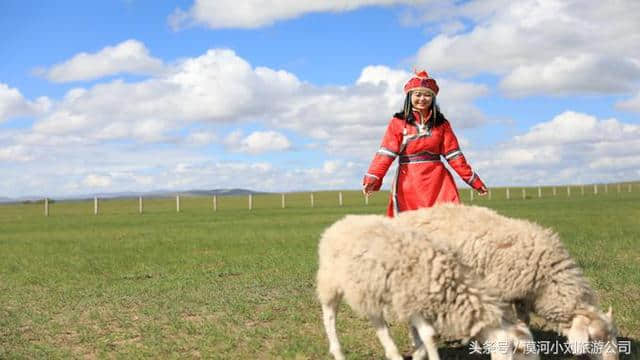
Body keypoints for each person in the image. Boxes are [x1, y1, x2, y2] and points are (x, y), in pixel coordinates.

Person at [362, 69, 488, 217]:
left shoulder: (442, 124)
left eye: (427, 95)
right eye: (418, 94)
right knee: (409, 225)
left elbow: (455, 156)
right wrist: (372, 178)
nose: (422, 99)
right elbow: (385, 154)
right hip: (409, 182)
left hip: (439, 182)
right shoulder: (398, 123)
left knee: (448, 221)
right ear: (409, 97)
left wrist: (474, 181)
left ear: (433, 98)